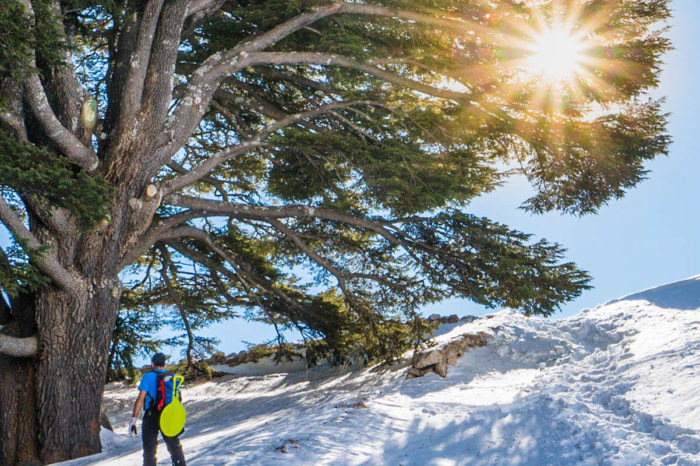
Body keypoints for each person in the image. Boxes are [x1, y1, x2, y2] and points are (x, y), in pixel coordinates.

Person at [129, 353, 187, 466]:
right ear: (164, 365)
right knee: (174, 446)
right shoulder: (173, 377)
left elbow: (141, 398)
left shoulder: (148, 376)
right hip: (168, 414)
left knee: (149, 449)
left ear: (152, 364)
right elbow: (178, 398)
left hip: (151, 415)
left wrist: (134, 418)